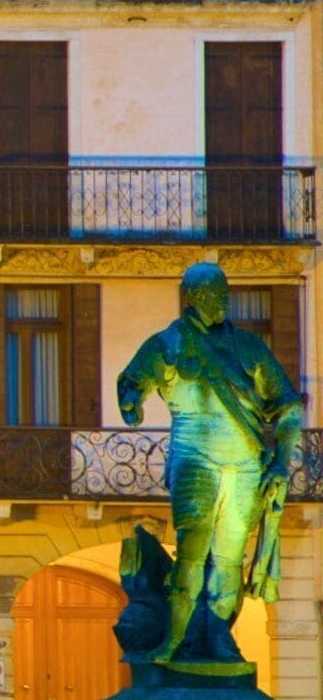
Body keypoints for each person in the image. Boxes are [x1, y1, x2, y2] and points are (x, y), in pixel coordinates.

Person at [115, 261, 303, 674]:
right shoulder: (169, 344)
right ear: (196, 297)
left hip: (245, 464)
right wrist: (131, 398)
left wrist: (282, 462)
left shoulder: (249, 348)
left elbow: (289, 407)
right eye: (218, 294)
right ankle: (177, 637)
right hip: (194, 455)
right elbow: (132, 384)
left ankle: (218, 636)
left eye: (225, 293)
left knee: (229, 558)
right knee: (192, 550)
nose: (225, 301)